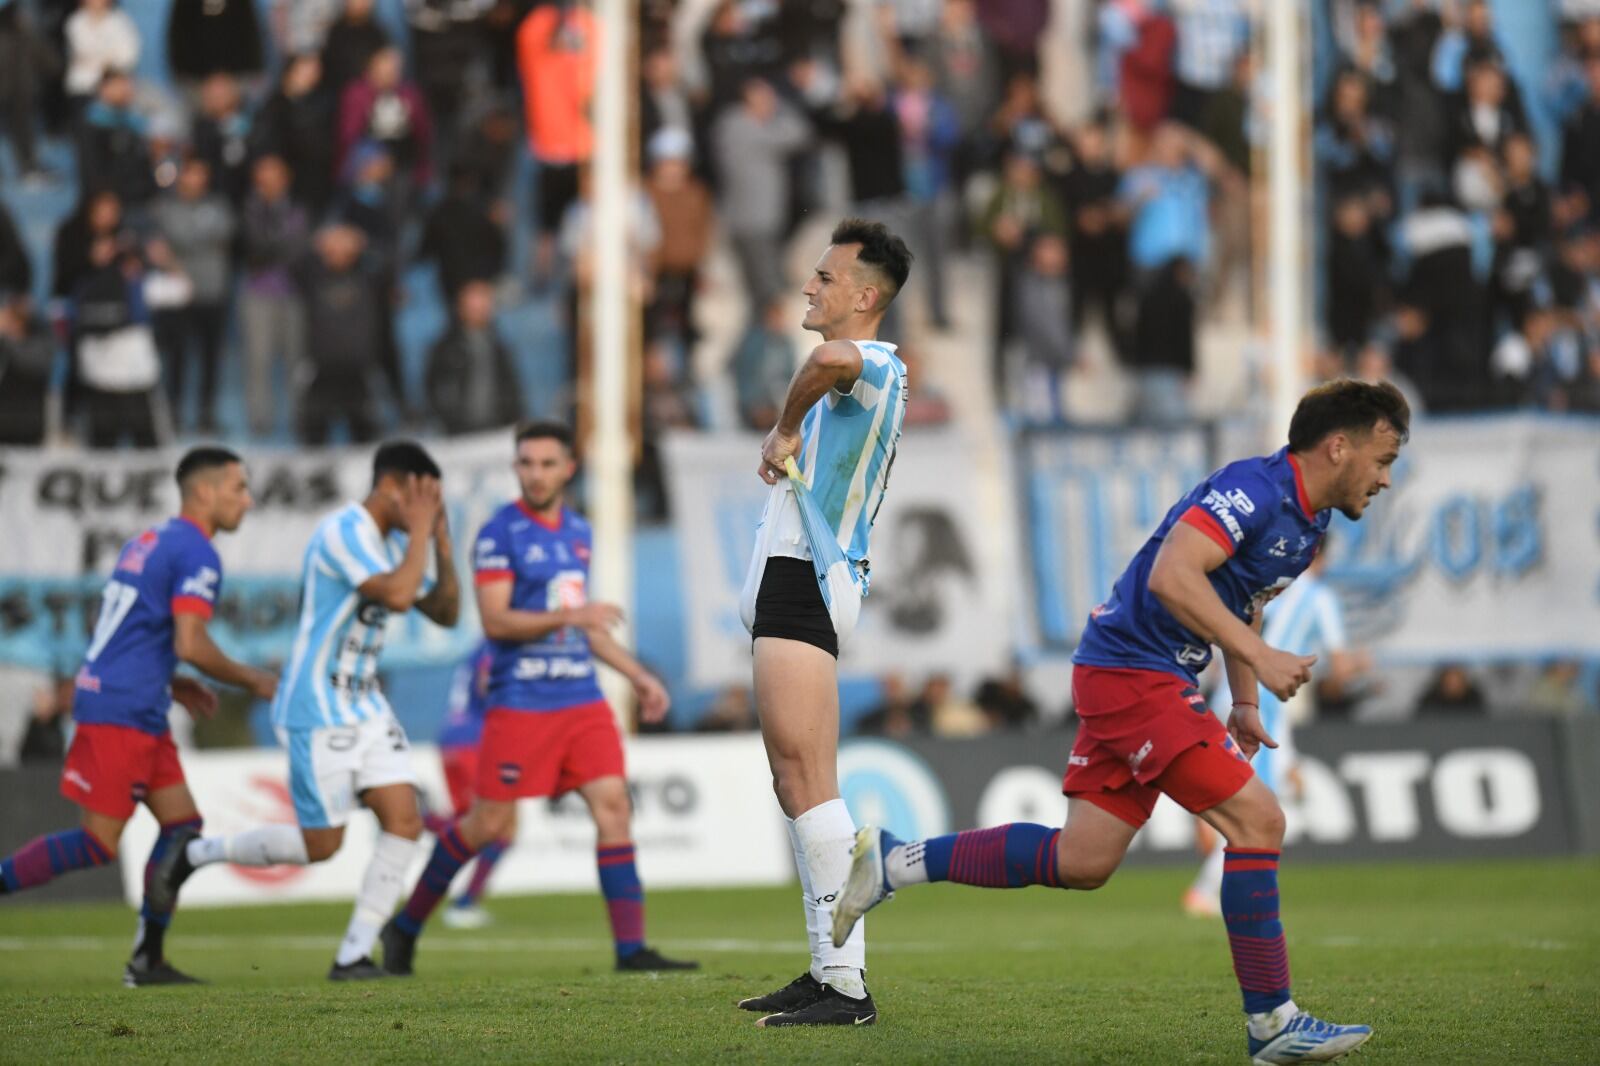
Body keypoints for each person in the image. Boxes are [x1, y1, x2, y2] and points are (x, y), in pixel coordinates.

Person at [834, 379, 1411, 1063]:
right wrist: (1259, 655)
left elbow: (1244, 604)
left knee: (1083, 861)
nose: (1383, 479)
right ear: (1337, 446)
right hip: (1135, 672)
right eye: (1381, 460)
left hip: (1142, 674)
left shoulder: (1306, 524)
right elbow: (1174, 575)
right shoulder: (1254, 491)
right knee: (1260, 820)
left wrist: (1246, 700)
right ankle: (1272, 1023)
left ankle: (894, 862)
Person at [381, 421, 696, 976]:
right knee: (485, 825)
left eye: (547, 463)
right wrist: (573, 616)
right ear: (516, 468)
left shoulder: (578, 532)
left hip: (580, 699)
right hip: (520, 702)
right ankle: (405, 925)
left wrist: (637, 675)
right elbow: (497, 621)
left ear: (568, 469)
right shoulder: (499, 533)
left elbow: (587, 629)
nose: (536, 473)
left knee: (614, 807)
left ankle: (631, 949)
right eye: (526, 463)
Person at [154, 442, 460, 981]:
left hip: (364, 702)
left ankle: (354, 955)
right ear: (398, 487)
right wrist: (417, 534)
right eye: (426, 497)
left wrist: (440, 538)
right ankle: (196, 855)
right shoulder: (343, 532)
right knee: (322, 845)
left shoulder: (396, 545)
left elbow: (446, 611)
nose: (430, 506)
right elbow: (395, 594)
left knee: (405, 821)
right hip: (317, 704)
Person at [0, 448, 279, 987]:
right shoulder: (198, 553)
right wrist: (255, 679)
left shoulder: (146, 542)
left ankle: (147, 960)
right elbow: (191, 642)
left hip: (138, 702)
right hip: (121, 710)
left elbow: (131, 631)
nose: (247, 500)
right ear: (205, 492)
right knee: (96, 844)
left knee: (182, 827)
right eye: (238, 488)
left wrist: (171, 682)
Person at [735, 218, 913, 1028]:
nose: (811, 287)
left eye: (827, 278)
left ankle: (846, 985)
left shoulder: (870, 360)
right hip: (798, 579)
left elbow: (827, 359)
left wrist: (784, 426)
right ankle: (830, 969)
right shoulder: (870, 369)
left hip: (809, 580)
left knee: (806, 777)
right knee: (796, 779)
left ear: (866, 297)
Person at [1183, 546, 1369, 917]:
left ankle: (1218, 852)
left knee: (1250, 794)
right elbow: (1339, 669)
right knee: (1261, 803)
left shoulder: (1273, 590)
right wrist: (1361, 666)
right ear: (1326, 559)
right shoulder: (1319, 596)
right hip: (1263, 704)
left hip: (1231, 696)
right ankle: (1207, 891)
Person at [421, 640, 511, 930]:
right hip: (477, 740)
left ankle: (417, 821)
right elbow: (488, 684)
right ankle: (465, 904)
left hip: (452, 737)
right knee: (501, 827)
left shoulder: (477, 647)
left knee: (470, 822)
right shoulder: (497, 647)